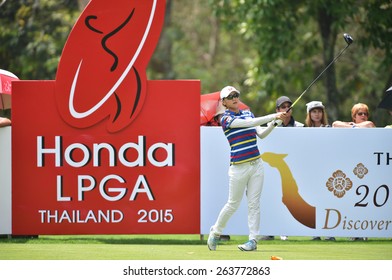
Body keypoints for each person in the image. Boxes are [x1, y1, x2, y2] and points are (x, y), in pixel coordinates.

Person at [207, 85, 286, 251]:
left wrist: (274, 123)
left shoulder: (248, 112)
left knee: (254, 204)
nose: (235, 98)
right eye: (231, 97)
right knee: (233, 204)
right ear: (224, 102)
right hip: (238, 168)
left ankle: (253, 241)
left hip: (256, 164)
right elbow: (249, 123)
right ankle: (216, 232)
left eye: (236, 95)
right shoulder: (225, 119)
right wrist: (274, 115)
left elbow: (261, 134)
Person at [260, 96, 303, 241]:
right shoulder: (270, 126)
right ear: (277, 110)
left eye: (288, 106)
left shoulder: (300, 127)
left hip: (294, 168)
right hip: (273, 169)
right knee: (272, 198)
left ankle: (285, 230)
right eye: (282, 107)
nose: (286, 109)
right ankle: (270, 230)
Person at [303, 101, 335, 241]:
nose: (317, 114)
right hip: (310, 171)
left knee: (326, 201)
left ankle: (329, 233)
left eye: (319, 111)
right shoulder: (304, 130)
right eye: (314, 111)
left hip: (327, 171)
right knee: (312, 202)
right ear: (309, 114)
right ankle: (315, 232)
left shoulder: (328, 128)